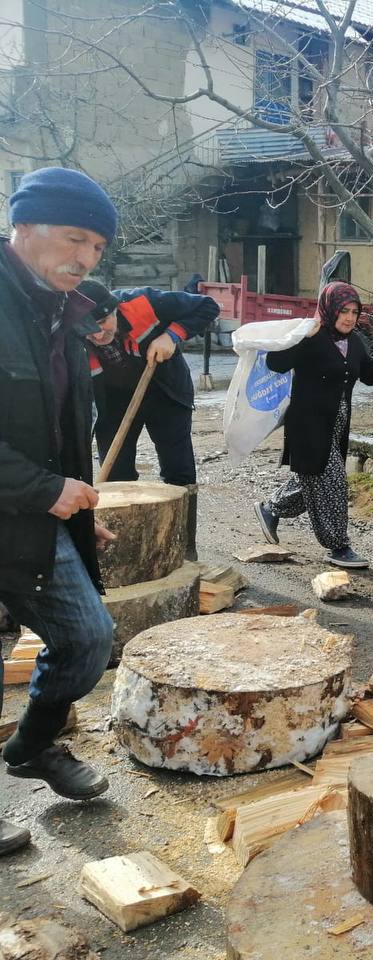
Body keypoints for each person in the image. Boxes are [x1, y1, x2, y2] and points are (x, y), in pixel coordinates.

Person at [0, 167, 122, 855]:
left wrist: (74, 510)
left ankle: (32, 746)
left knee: (87, 640)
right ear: (25, 227)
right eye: (76, 239)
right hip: (18, 503)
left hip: (39, 522)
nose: (86, 258)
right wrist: (45, 489)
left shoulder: (67, 315)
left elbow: (64, 430)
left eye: (99, 249)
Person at [254, 282, 373, 568]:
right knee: (332, 480)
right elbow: (276, 363)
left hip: (337, 422)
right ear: (330, 309)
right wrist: (302, 336)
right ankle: (338, 546)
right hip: (308, 424)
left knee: (313, 477)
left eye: (355, 312)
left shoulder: (354, 342)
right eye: (344, 311)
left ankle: (270, 508)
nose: (350, 317)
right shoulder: (312, 336)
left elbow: (369, 373)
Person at [77, 280, 219, 487]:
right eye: (89, 329)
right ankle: (122, 518)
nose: (98, 335)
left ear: (115, 308)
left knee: (178, 471)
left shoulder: (143, 301)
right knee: (115, 474)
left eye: (102, 322)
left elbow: (208, 306)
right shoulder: (70, 333)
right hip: (112, 399)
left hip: (164, 390)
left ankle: (183, 517)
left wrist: (171, 336)